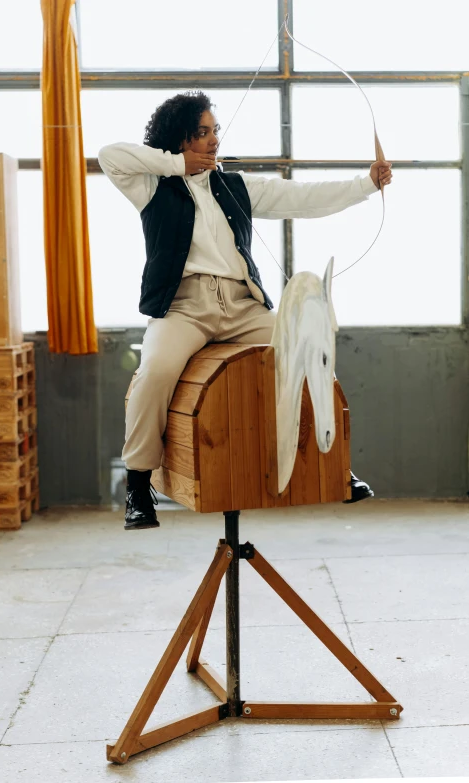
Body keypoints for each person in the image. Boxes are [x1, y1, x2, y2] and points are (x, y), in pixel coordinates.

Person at [98, 90, 393, 530]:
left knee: (308, 357)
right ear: (180, 138)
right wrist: (179, 166)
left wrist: (365, 184)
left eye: (215, 130)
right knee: (155, 371)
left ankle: (332, 464)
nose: (213, 140)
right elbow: (109, 155)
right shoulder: (151, 184)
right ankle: (139, 486)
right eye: (202, 132)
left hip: (241, 306)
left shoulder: (235, 186)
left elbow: (301, 198)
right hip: (183, 307)